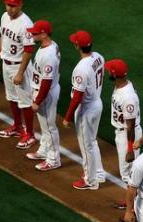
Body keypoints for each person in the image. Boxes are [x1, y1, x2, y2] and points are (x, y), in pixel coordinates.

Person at [62, 30, 105, 190]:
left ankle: (90, 180)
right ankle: (98, 173)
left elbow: (77, 96)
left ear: (77, 46)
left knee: (87, 145)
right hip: (97, 102)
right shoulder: (99, 57)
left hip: (86, 108)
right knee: (92, 142)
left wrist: (67, 117)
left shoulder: (80, 68)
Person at [0, 0, 36, 149]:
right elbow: (2, 38)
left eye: (13, 6)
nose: (10, 8)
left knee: (25, 101)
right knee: (11, 97)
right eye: (8, 5)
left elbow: (29, 50)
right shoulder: (4, 16)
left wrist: (20, 72)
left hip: (19, 66)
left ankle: (30, 134)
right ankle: (17, 127)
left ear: (21, 5)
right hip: (6, 63)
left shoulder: (26, 24)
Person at [23, 19, 60, 171]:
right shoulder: (50, 45)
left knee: (49, 127)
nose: (32, 35)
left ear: (44, 34)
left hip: (46, 93)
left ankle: (53, 159)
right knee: (45, 126)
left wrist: (38, 101)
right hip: (43, 90)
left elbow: (46, 82)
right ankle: (44, 150)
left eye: (35, 33)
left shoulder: (49, 55)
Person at [105, 58, 141, 204]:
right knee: (128, 173)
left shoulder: (127, 96)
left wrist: (130, 148)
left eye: (110, 71)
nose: (108, 72)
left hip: (127, 135)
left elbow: (130, 125)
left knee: (129, 174)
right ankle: (132, 201)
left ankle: (134, 206)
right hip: (122, 132)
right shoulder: (121, 86)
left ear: (115, 74)